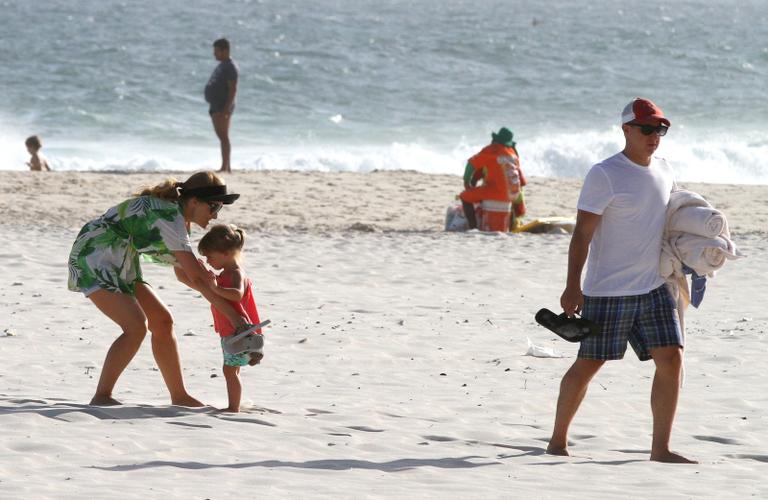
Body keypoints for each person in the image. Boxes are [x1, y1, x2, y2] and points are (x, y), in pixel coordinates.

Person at [547, 98, 696, 463]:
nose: (654, 136)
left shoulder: (664, 169)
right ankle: (557, 440)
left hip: (653, 287)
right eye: (646, 128)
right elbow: (582, 234)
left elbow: (673, 220)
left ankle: (660, 449)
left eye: (659, 129)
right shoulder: (605, 174)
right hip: (609, 290)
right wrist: (572, 285)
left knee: (672, 359)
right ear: (626, 129)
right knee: (589, 363)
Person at [67, 171, 258, 407]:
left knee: (162, 321)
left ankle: (179, 396)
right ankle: (102, 395)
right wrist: (235, 316)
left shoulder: (179, 221)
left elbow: (185, 275)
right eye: (214, 207)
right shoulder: (170, 217)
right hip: (96, 255)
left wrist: (227, 307)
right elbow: (196, 278)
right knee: (135, 327)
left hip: (122, 258)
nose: (216, 215)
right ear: (194, 201)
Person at [197, 224, 265, 412]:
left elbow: (237, 294)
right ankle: (251, 356)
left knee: (229, 370)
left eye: (210, 256)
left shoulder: (235, 273)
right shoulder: (226, 273)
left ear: (226, 253)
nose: (208, 260)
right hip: (233, 332)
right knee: (232, 369)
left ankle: (233, 407)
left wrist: (215, 288)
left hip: (238, 332)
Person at [459, 127, 526, 231]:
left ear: (495, 140)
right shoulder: (513, 154)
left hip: (496, 191)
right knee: (509, 200)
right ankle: (511, 227)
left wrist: (466, 181)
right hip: (514, 194)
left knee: (464, 197)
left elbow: (471, 164)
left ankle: (473, 228)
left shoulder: (491, 150)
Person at [204, 38, 239, 173]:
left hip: (222, 107)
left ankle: (226, 167)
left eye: (217, 51)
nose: (214, 54)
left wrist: (226, 109)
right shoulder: (222, 64)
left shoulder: (230, 67)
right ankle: (225, 166)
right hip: (216, 105)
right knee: (221, 136)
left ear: (225, 50)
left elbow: (233, 89)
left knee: (223, 136)